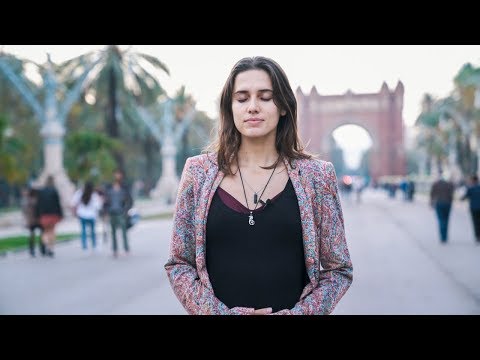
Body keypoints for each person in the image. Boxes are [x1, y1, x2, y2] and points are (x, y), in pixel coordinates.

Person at [164, 56, 353, 315]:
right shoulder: (198, 173)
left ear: (283, 106)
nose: (253, 107)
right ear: (230, 107)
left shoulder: (316, 176)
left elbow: (338, 269)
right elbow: (179, 264)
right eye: (242, 98)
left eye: (265, 97)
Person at [103, 169, 133, 258]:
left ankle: (126, 249)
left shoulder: (124, 187)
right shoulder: (109, 187)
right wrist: (105, 212)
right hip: (112, 212)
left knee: (124, 231)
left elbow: (130, 200)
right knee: (113, 232)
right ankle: (115, 250)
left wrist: (126, 210)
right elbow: (105, 201)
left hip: (121, 212)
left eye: (119, 174)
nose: (117, 176)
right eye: (116, 174)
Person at [71, 181, 103, 251]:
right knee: (92, 231)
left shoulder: (79, 193)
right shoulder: (94, 195)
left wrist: (75, 212)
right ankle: (94, 245)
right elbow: (98, 206)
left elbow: (73, 203)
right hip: (92, 215)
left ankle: (84, 245)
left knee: (83, 231)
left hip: (82, 214)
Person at [36, 175, 63, 257]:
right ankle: (51, 248)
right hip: (53, 214)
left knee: (45, 231)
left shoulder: (41, 191)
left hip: (44, 215)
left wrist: (38, 215)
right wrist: (60, 214)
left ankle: (46, 244)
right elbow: (58, 204)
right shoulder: (54, 191)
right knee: (52, 231)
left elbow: (38, 204)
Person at [20, 187, 46, 257]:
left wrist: (26, 221)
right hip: (39, 220)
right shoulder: (39, 200)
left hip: (31, 221)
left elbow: (24, 212)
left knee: (32, 234)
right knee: (42, 234)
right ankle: (42, 249)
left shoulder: (26, 201)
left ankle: (31, 250)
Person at [430, 173, 454, 243]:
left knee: (441, 220)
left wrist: (431, 203)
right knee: (446, 220)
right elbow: (452, 194)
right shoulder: (449, 184)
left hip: (439, 203)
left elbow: (432, 194)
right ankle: (445, 236)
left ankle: (442, 237)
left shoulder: (436, 184)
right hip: (447, 203)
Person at [461, 174, 480, 244]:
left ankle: (477, 236)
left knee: (475, 223)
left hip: (474, 208)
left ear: (472, 181)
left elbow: (464, 197)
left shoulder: (470, 188)